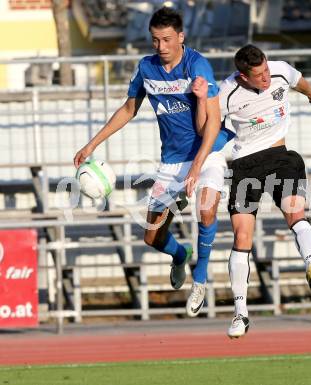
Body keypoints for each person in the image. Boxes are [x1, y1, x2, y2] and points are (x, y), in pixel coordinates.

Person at [74, 7, 231, 318]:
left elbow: (213, 122)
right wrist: (93, 143)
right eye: (155, 40)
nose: (161, 47)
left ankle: (199, 280)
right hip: (172, 162)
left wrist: (199, 163)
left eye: (167, 40)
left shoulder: (197, 65)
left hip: (208, 151)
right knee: (151, 236)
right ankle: (180, 254)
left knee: (207, 208)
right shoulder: (146, 68)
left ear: (181, 37)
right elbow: (129, 108)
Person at [219, 44, 311, 338]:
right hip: (245, 165)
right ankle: (240, 314)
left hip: (281, 156)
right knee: (242, 236)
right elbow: (209, 129)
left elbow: (298, 80)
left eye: (266, 70)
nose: (266, 78)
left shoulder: (279, 69)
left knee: (296, 214)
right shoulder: (226, 93)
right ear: (243, 76)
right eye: (259, 75)